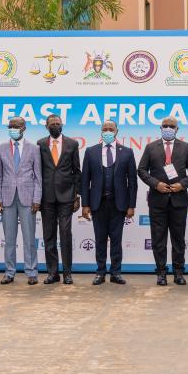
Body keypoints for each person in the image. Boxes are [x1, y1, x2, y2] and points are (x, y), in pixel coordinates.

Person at [137, 116, 188, 286]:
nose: (168, 128)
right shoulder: (151, 147)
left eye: (171, 126)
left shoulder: (186, 147)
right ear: (160, 128)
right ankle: (161, 273)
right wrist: (156, 184)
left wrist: (182, 184)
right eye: (165, 125)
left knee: (178, 239)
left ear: (177, 129)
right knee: (158, 239)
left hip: (179, 200)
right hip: (158, 201)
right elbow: (142, 170)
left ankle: (178, 273)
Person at [81, 121, 138, 285]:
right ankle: (100, 272)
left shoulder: (127, 152)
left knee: (116, 240)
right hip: (97, 204)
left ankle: (116, 272)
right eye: (104, 129)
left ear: (116, 131)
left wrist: (131, 205)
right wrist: (85, 204)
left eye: (110, 129)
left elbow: (132, 182)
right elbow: (85, 180)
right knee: (99, 239)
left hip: (119, 204)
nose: (107, 132)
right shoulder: (91, 151)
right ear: (101, 132)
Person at [0, 117, 42, 285]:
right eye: (10, 126)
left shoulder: (34, 149)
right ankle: (9, 272)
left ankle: (31, 272)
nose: (13, 129)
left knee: (29, 238)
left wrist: (37, 199)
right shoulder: (0, 148)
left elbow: (38, 177)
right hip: (7, 198)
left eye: (16, 126)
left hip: (28, 198)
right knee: (9, 238)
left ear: (24, 128)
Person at [36, 114, 81, 285]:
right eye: (52, 124)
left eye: (58, 123)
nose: (55, 126)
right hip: (46, 197)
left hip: (66, 197)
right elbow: (37, 171)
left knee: (65, 234)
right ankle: (52, 273)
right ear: (46, 127)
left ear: (62, 125)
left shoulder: (72, 144)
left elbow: (77, 171)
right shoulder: (40, 144)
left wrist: (77, 195)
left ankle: (67, 273)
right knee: (48, 236)